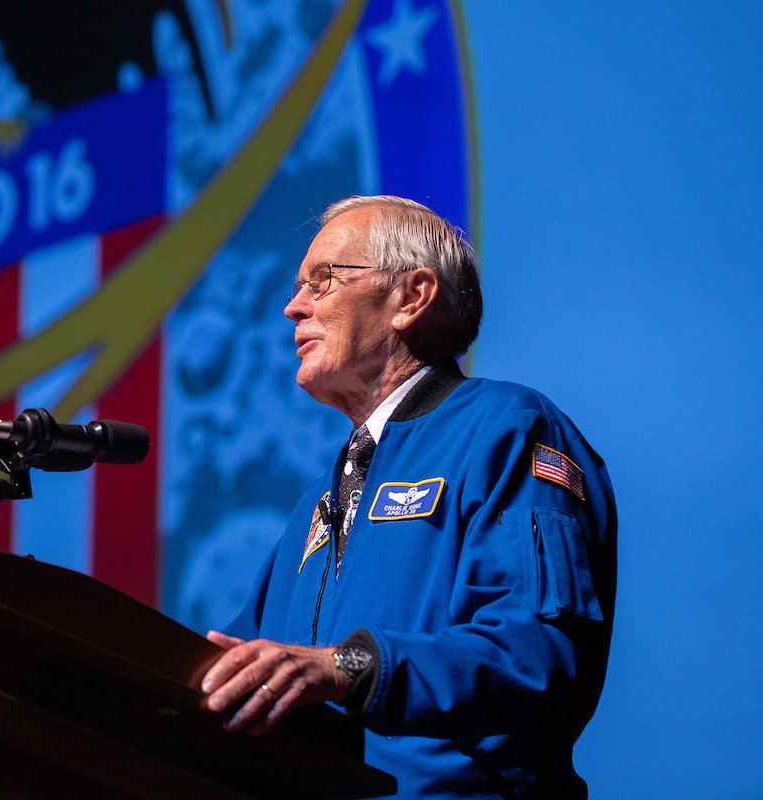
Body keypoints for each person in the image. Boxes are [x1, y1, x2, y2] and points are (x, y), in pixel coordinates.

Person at [200, 195, 616, 798]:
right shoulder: (320, 500)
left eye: (324, 281)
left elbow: (537, 651)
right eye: (298, 287)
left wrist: (344, 670)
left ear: (412, 298)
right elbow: (241, 666)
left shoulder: (506, 428)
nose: (293, 308)